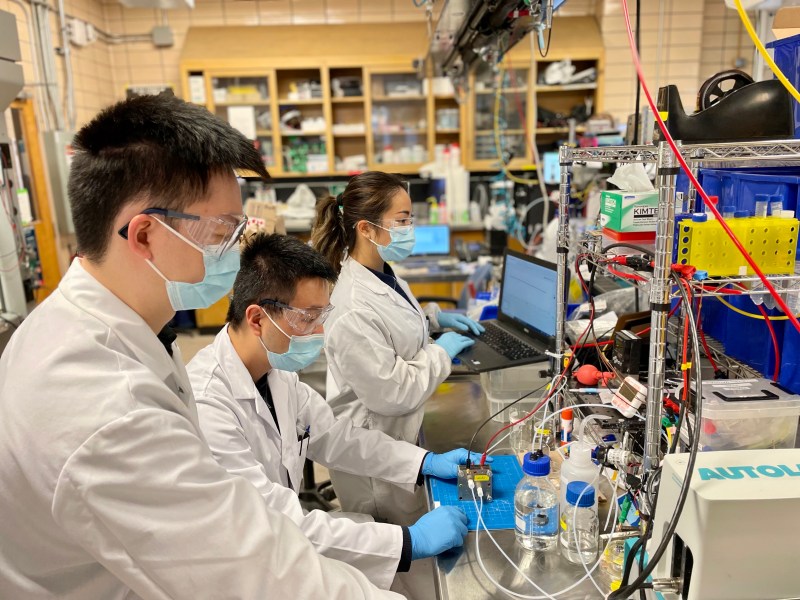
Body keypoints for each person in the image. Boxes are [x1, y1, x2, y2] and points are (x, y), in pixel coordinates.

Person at [0, 95, 404, 599]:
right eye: (221, 231)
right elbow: (256, 575)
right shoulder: (102, 403)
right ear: (144, 236)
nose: (234, 251)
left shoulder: (116, 330)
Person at [187, 232, 482, 590]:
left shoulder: (277, 375)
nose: (320, 331)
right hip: (241, 573)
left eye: (322, 315)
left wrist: (423, 464)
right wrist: (408, 542)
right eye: (308, 317)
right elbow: (273, 521)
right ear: (257, 318)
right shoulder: (209, 405)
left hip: (283, 544)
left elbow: (337, 437)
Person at [311, 171, 485, 525]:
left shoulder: (380, 271)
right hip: (374, 452)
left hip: (400, 433)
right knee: (398, 559)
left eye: (411, 219)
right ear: (366, 229)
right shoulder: (351, 305)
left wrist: (434, 319)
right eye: (402, 220)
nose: (410, 229)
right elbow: (394, 392)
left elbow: (393, 324)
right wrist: (442, 351)